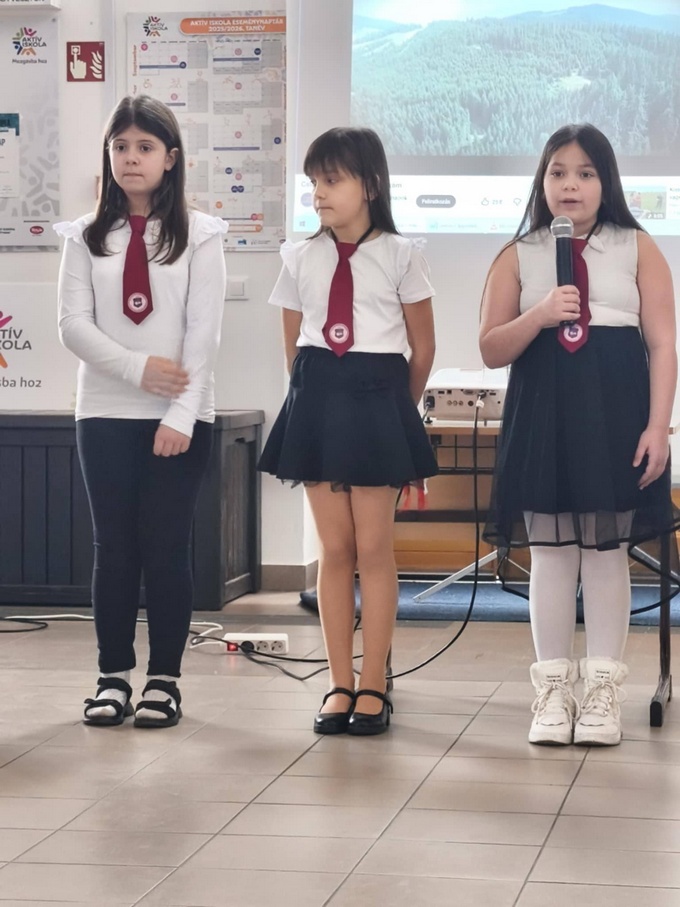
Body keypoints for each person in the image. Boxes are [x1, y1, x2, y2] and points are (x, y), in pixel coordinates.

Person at [480, 123, 678, 747]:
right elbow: (491, 348)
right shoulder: (519, 253)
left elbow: (663, 343)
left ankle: (602, 693)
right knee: (551, 552)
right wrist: (540, 314)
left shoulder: (637, 246)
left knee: (605, 550)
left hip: (616, 412)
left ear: (606, 182)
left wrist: (658, 425)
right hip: (544, 413)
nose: (571, 184)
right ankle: (552, 693)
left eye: (586, 173)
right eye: (558, 172)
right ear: (542, 181)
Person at [55, 95, 228, 728]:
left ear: (170, 158)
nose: (132, 158)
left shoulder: (201, 235)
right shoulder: (84, 236)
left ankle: (164, 680)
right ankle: (112, 677)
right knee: (114, 549)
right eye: (121, 147)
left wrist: (180, 412)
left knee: (165, 547)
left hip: (181, 415)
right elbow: (72, 325)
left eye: (145, 147)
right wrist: (136, 369)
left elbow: (203, 334)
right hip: (102, 411)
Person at [259, 126, 437, 735]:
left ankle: (375, 684)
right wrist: (313, 401)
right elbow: (293, 348)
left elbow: (422, 347)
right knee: (334, 550)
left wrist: (394, 413)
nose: (319, 194)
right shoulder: (298, 257)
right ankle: (339, 682)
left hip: (379, 399)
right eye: (314, 182)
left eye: (332, 181)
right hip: (319, 398)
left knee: (373, 549)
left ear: (372, 185)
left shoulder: (401, 254)